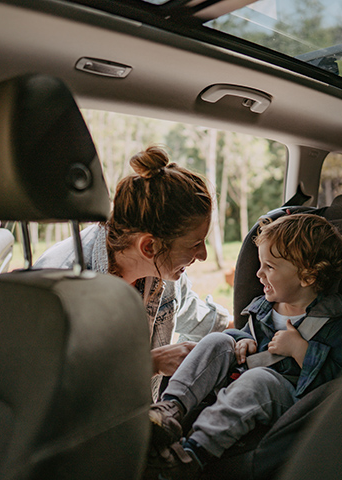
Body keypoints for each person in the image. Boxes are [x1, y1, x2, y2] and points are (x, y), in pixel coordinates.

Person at [144, 213, 342, 479]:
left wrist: (300, 350)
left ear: (307, 276)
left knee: (258, 379)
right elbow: (246, 334)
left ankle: (192, 452)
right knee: (218, 340)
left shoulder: (332, 320)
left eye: (270, 267)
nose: (258, 273)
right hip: (247, 380)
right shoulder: (265, 307)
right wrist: (241, 339)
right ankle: (170, 408)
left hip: (292, 401)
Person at [34, 146, 231, 398]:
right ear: (149, 246)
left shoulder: (161, 269)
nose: (203, 255)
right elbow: (53, 386)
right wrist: (150, 364)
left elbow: (196, 316)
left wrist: (251, 331)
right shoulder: (66, 282)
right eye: (194, 244)